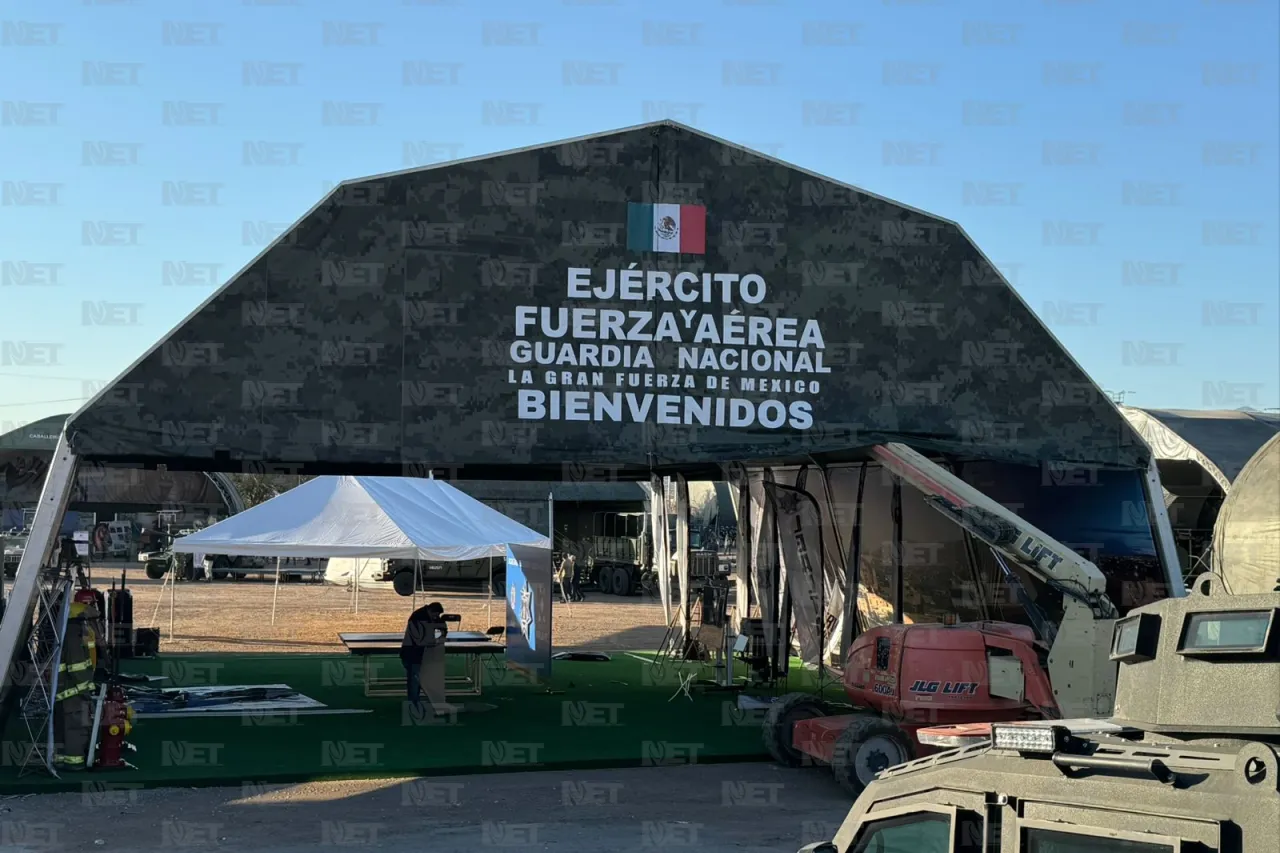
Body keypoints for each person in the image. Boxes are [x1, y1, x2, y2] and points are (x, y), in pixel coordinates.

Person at [400, 601, 452, 715]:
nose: (436, 617)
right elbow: (419, 640)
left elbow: (442, 628)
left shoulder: (432, 616)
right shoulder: (417, 618)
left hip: (424, 654)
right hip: (411, 653)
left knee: (421, 679)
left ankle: (421, 702)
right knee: (414, 680)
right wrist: (435, 641)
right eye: (435, 615)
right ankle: (413, 704)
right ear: (430, 611)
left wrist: (442, 633)